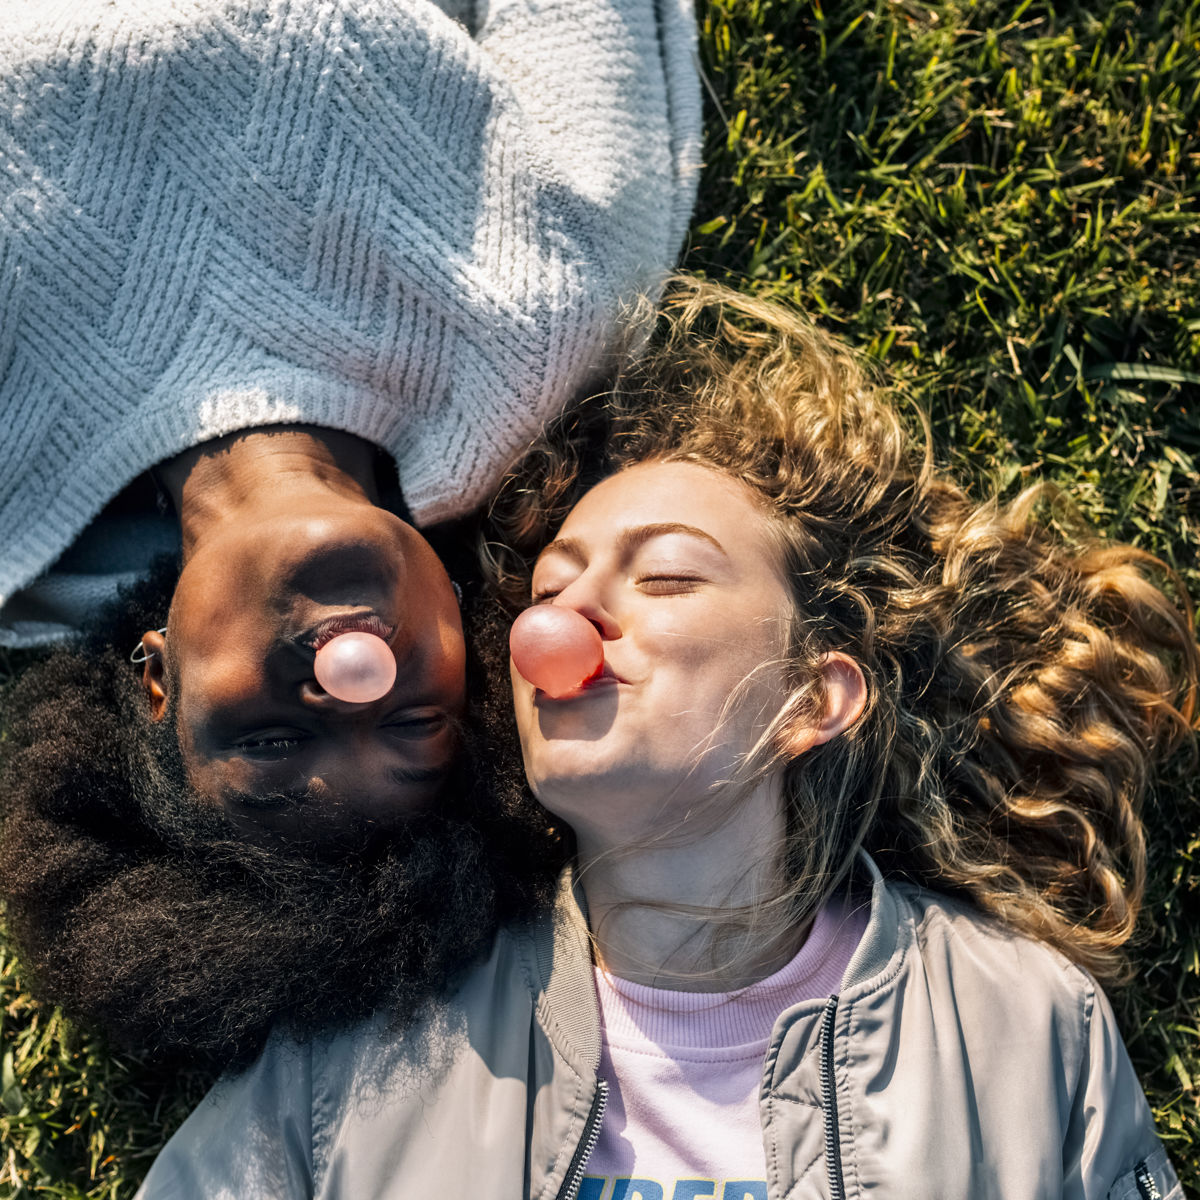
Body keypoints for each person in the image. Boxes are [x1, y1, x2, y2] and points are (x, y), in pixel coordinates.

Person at [135, 278, 1198, 1199]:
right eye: (552, 585)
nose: (570, 618)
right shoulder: (378, 1030)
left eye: (669, 576)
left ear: (812, 700)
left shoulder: (1020, 1025)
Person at [0, 0, 698, 1060]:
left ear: (155, 686)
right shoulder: (548, 323)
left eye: (273, 743)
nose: (353, 679)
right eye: (418, 730)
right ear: (471, 651)